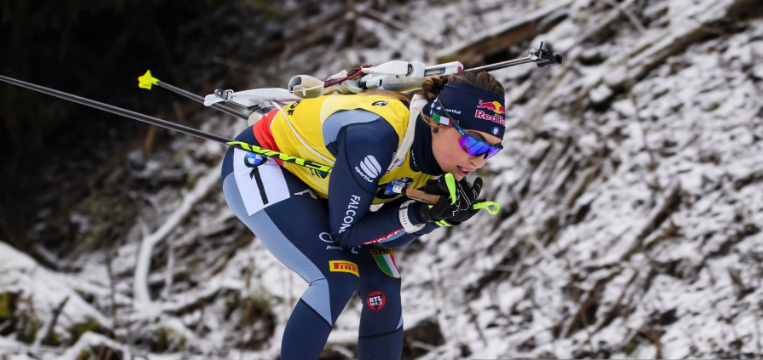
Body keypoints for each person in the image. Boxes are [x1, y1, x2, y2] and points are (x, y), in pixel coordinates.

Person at [220, 70, 505, 359]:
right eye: (473, 143)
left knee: (383, 280)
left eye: (491, 152)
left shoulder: (438, 162)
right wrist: (419, 214)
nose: (478, 160)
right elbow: (347, 233)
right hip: (261, 161)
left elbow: (383, 240)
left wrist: (432, 218)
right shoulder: (376, 137)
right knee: (336, 276)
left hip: (318, 185)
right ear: (438, 121)